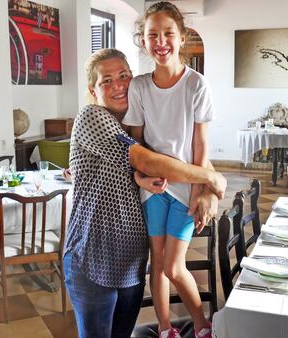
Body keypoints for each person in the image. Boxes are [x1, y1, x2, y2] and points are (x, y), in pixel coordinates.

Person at [64, 48, 225, 338]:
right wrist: (211, 179)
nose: (119, 85)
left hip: (130, 263)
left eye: (124, 76)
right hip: (92, 258)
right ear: (92, 89)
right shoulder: (92, 116)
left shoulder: (137, 121)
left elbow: (179, 157)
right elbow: (148, 161)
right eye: (107, 80)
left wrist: (209, 190)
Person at [123, 3, 215, 338]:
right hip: (153, 189)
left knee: (175, 266)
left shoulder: (196, 84)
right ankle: (165, 329)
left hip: (185, 188)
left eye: (167, 34)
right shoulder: (139, 87)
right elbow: (136, 144)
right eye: (152, 35)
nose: (160, 41)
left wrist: (199, 188)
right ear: (143, 41)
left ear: (181, 37)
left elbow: (200, 145)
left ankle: (203, 325)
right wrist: (143, 178)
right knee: (157, 263)